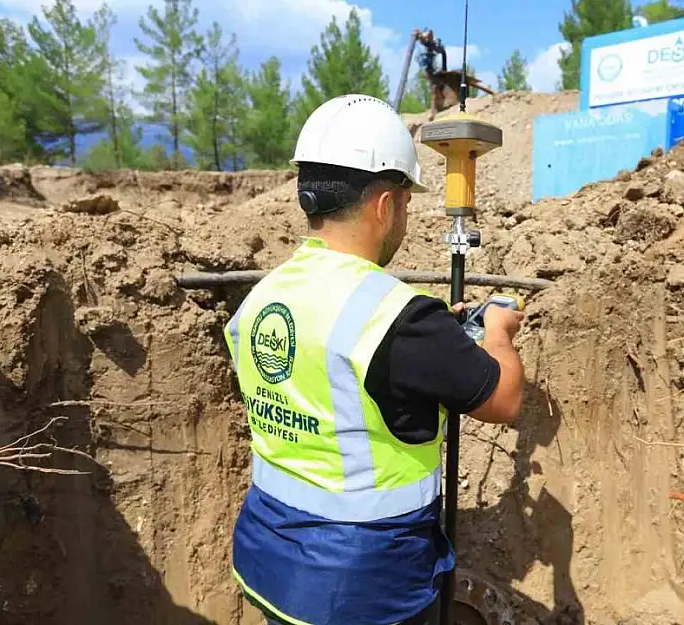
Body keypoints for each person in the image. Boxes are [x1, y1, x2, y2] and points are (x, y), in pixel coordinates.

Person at [222, 94, 526, 625]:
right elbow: (503, 399)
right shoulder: (400, 318)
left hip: (271, 564)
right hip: (361, 593)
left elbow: (335, 375)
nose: (403, 218)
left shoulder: (263, 296)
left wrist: (437, 339)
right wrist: (497, 330)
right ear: (386, 204)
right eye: (405, 204)